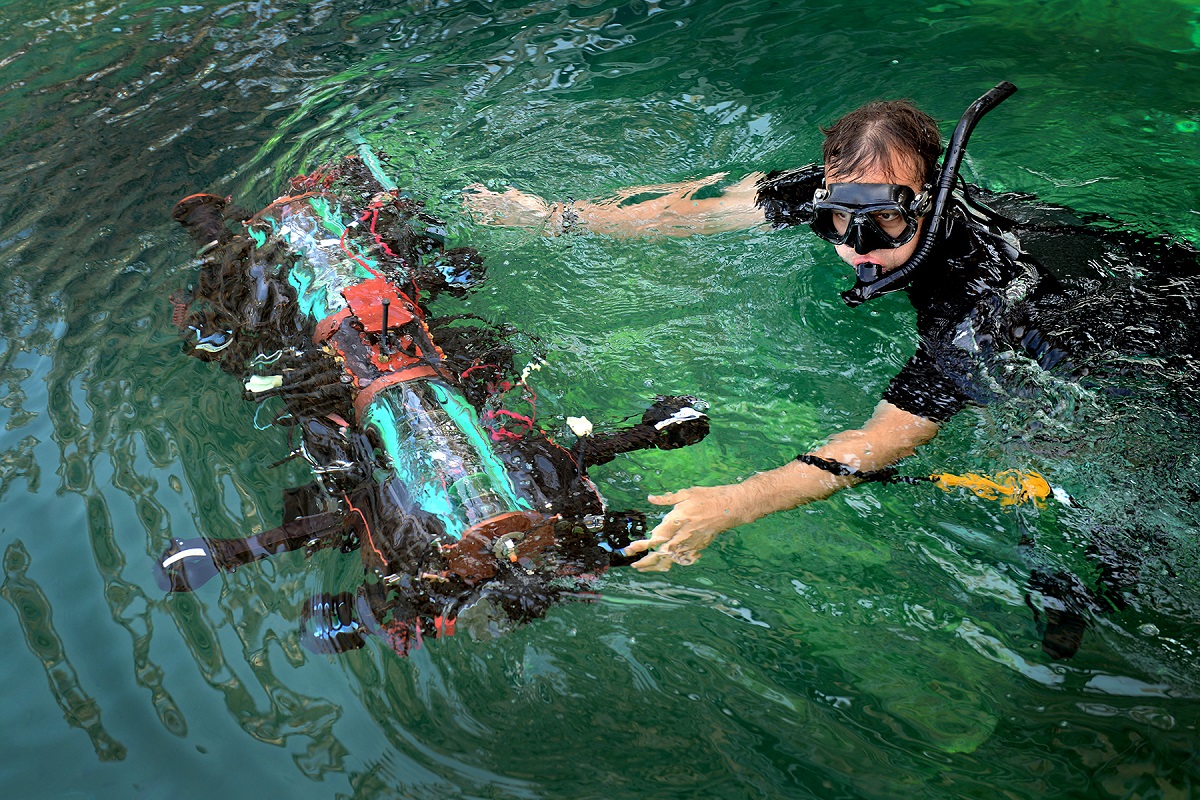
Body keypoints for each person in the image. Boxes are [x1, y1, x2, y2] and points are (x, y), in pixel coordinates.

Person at [463, 84, 1200, 587]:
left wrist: (739, 501)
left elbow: (890, 435)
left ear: (934, 200)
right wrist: (555, 216)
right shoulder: (844, 205)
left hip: (1142, 321)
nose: (855, 244)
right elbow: (700, 209)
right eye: (839, 217)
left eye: (882, 222)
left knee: (1059, 452)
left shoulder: (978, 302)